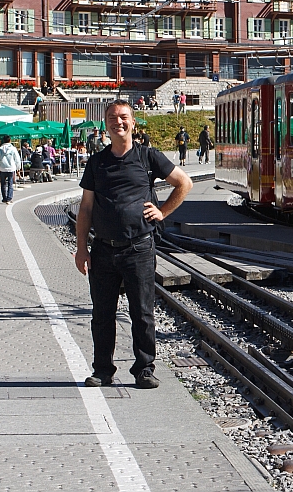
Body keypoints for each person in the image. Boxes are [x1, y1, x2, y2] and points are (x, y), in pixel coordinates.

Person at [75, 99, 193, 389]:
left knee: (142, 312)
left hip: (138, 247)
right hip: (102, 249)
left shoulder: (147, 156)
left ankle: (144, 369)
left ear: (133, 121)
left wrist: (162, 211)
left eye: (124, 117)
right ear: (106, 124)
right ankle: (103, 370)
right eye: (113, 118)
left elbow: (184, 183)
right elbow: (86, 208)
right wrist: (81, 248)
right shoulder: (97, 162)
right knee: (102, 314)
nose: (119, 122)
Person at [0, 135, 21, 203]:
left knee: (3, 183)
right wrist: (18, 167)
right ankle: (9, 197)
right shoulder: (13, 148)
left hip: (2, 168)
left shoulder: (0, 148)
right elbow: (17, 159)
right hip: (11, 168)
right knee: (10, 183)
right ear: (10, 140)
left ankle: (4, 198)